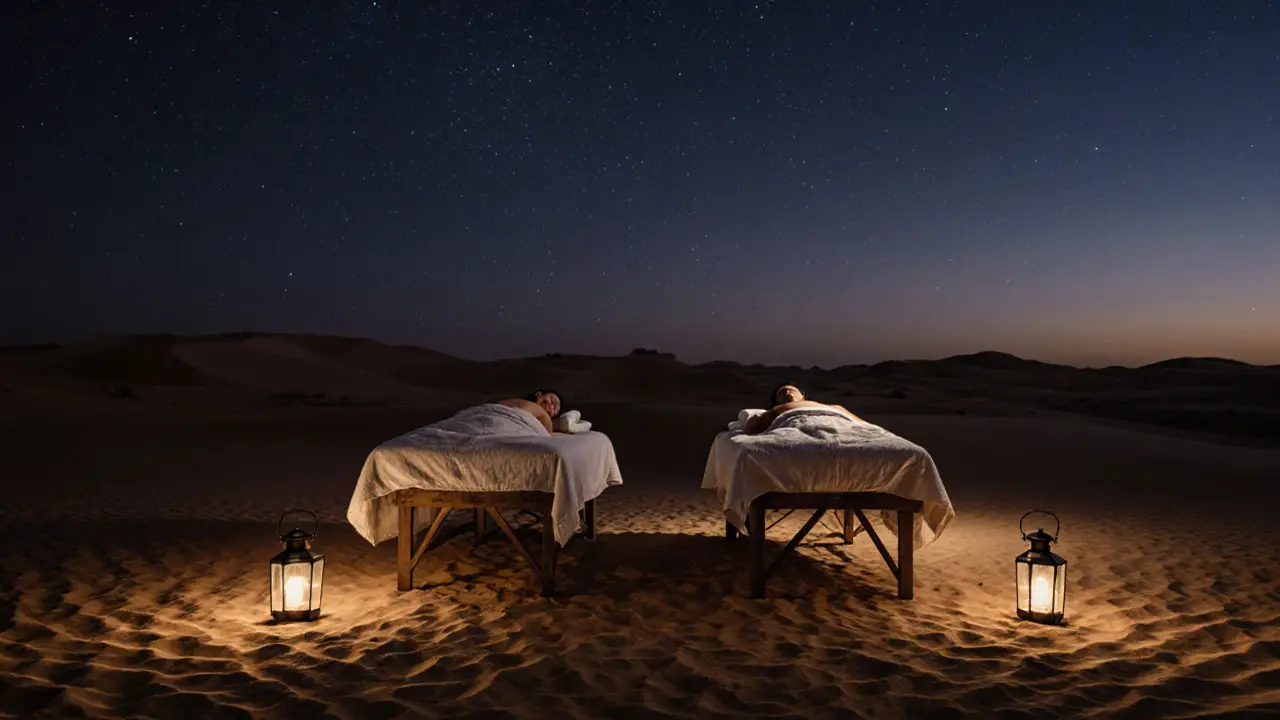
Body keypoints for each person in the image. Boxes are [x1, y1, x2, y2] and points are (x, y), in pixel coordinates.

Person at [742, 383, 861, 434]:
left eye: (791, 390)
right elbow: (753, 430)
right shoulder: (777, 410)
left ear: (802, 395)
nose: (787, 392)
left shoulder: (833, 407)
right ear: (776, 401)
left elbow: (865, 426)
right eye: (782, 392)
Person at [497, 388, 563, 434]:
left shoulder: (543, 423)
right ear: (539, 394)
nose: (551, 407)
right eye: (552, 401)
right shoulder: (516, 400)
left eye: (554, 409)